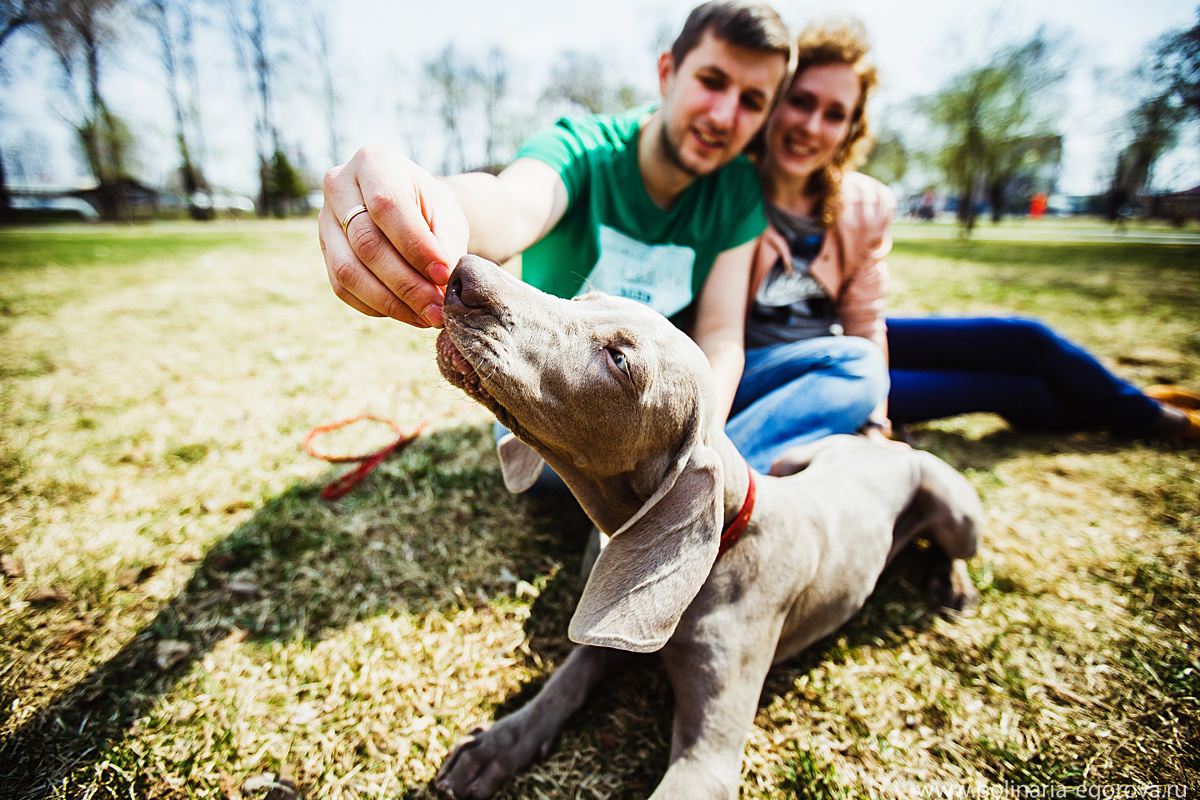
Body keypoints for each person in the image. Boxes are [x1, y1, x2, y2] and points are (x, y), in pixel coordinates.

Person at [319, 1, 792, 437]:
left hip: (650, 402)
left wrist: (703, 439)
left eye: (752, 101)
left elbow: (722, 335)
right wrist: (429, 201)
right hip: (550, 390)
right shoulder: (582, 150)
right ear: (668, 73)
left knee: (849, 366)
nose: (725, 115)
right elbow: (507, 203)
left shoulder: (738, 189)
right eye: (712, 81)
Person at [739, 19, 1200, 458]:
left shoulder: (864, 203)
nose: (811, 126)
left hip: (847, 343)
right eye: (801, 101)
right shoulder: (725, 193)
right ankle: (1145, 416)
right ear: (774, 99)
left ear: (850, 129)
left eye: (834, 114)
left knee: (1027, 340)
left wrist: (876, 421)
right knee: (1013, 388)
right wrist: (870, 420)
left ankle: (1133, 401)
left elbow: (865, 324)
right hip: (789, 375)